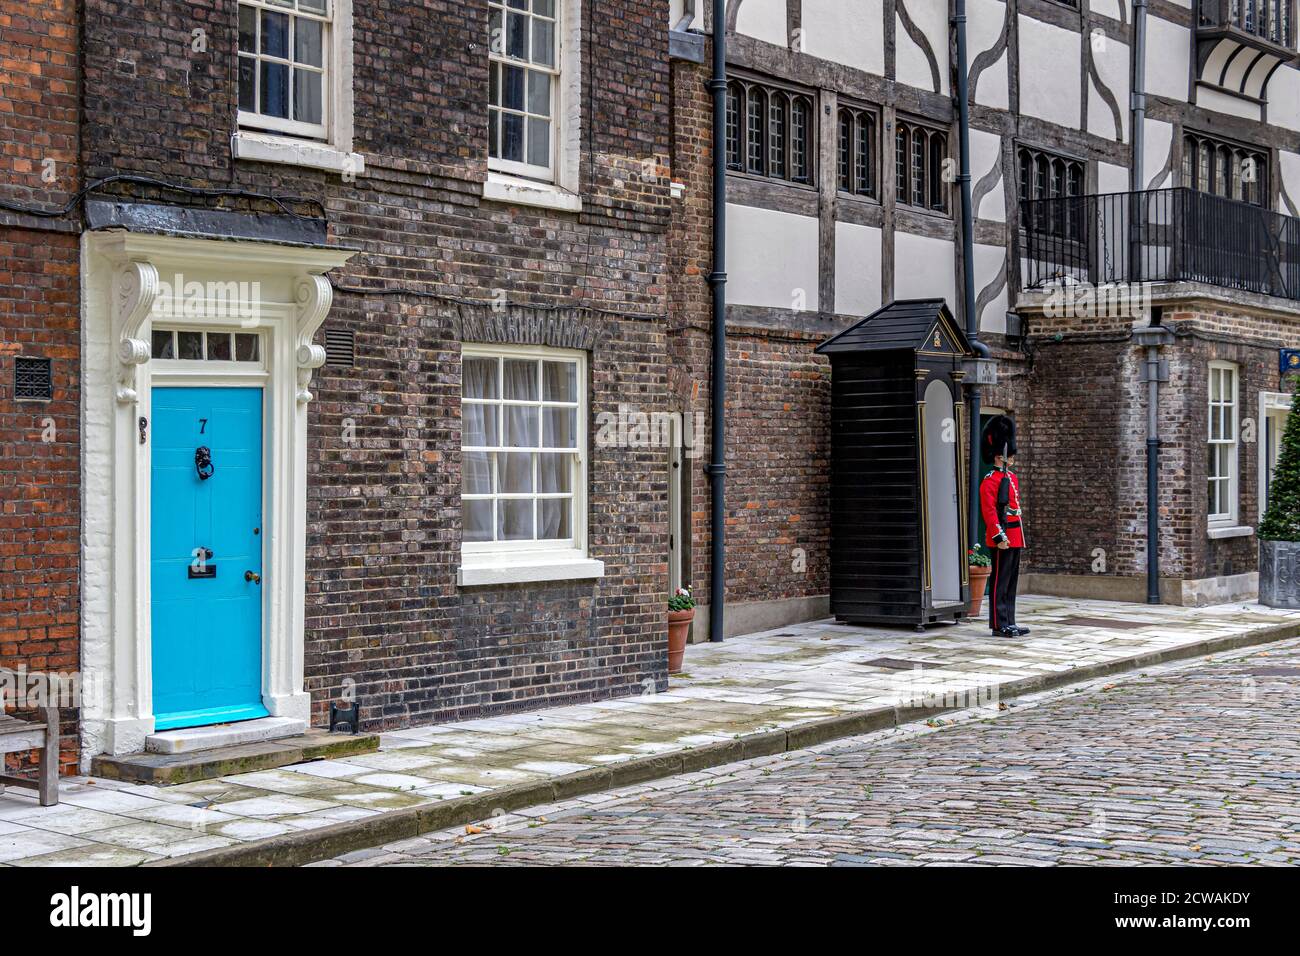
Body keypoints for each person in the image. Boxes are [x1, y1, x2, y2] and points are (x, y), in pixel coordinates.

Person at [980, 415, 1028, 637]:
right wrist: (999, 536)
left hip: (1015, 535)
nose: (1013, 459)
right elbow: (990, 513)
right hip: (1003, 537)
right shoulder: (990, 481)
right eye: (1009, 456)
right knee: (1000, 581)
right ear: (1000, 456)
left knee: (1010, 582)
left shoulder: (1013, 479)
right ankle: (999, 624)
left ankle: (1010, 620)